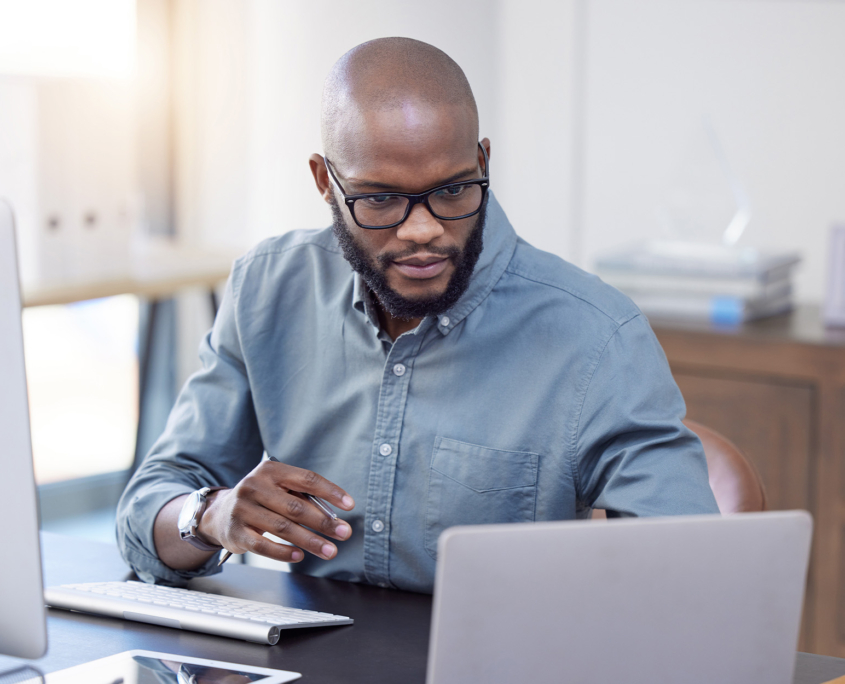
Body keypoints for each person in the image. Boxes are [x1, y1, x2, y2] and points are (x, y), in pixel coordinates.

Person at [117, 37, 718, 593]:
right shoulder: (269, 288)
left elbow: (692, 574)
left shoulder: (595, 335)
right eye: (380, 199)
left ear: (483, 161)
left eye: (455, 190)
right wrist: (210, 515)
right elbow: (148, 507)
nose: (424, 231)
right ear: (325, 181)